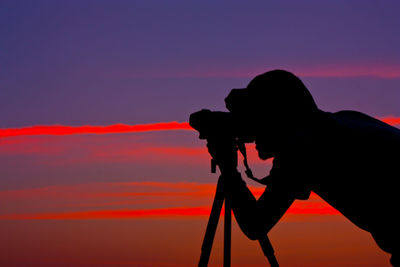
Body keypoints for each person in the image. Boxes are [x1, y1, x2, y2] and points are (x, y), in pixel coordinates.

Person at [218, 69, 400, 266]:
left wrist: (228, 168)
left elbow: (255, 225)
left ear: (276, 119)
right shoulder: (347, 119)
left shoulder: (301, 149)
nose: (253, 135)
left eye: (257, 121)